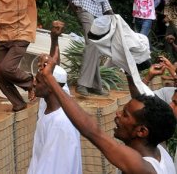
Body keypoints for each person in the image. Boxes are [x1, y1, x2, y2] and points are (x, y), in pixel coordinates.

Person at [38, 52, 177, 174]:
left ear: (141, 131)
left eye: (125, 115)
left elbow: (92, 131)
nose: (117, 115)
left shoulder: (141, 167)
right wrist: (129, 71)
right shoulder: (159, 149)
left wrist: (50, 79)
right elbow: (140, 103)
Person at [28, 22, 81, 173]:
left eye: (37, 80)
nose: (33, 83)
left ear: (52, 86)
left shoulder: (60, 124)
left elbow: (54, 167)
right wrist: (54, 39)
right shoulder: (50, 102)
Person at [64, 0, 112, 97]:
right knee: (92, 41)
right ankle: (82, 84)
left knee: (95, 45)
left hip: (97, 10)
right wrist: (70, 0)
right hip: (83, 6)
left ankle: (95, 85)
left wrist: (109, 11)